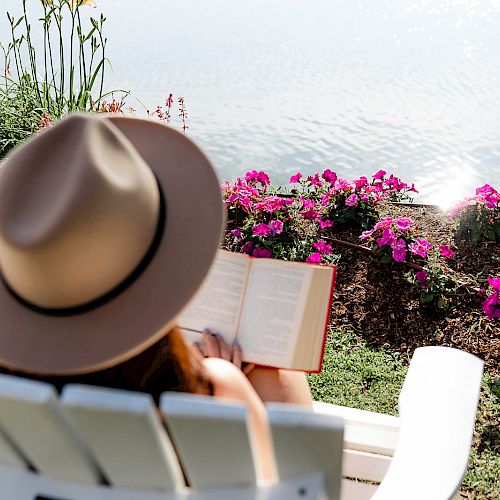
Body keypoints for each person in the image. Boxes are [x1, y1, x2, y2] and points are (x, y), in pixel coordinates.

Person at [0, 113, 312, 483]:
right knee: (276, 374)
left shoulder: (16, 407)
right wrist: (212, 373)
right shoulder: (211, 393)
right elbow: (300, 485)